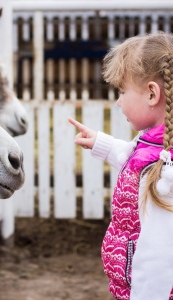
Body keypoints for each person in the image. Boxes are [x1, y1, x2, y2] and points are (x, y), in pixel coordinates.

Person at [68, 31, 173, 300]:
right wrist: (100, 143)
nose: (118, 100)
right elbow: (132, 158)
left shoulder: (165, 177)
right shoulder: (153, 146)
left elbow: (159, 258)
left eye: (122, 91)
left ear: (152, 94)